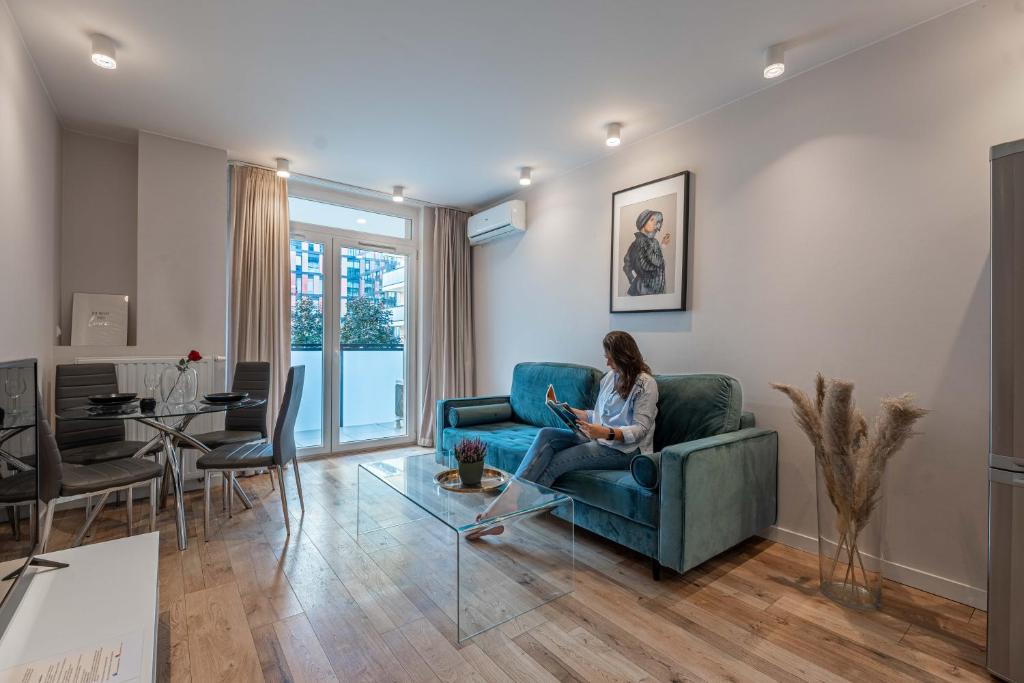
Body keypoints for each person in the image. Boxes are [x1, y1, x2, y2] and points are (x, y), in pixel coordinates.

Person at [468, 331, 658, 539]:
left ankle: (502, 515)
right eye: (607, 357)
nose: (607, 362)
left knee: (557, 461)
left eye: (610, 357)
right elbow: (598, 415)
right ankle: (509, 500)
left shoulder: (645, 384)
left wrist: (606, 432)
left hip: (626, 450)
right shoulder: (610, 378)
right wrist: (572, 411)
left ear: (624, 355)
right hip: (599, 437)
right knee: (546, 434)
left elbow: (641, 429)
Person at [622, 209, 671, 296]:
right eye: (651, 220)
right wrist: (663, 245)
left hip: (643, 290)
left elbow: (627, 265)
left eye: (657, 221)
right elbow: (656, 261)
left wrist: (632, 279)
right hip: (649, 291)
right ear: (643, 221)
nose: (655, 223)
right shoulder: (647, 242)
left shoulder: (636, 243)